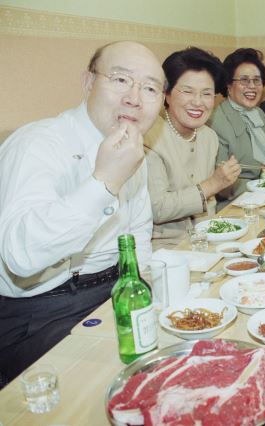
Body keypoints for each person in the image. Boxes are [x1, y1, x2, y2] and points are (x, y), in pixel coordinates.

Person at [0, 41, 164, 386]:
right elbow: (21, 257)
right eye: (121, 80)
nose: (134, 97)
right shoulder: (37, 143)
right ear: (88, 82)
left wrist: (146, 291)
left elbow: (138, 231)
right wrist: (104, 181)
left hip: (112, 293)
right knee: (112, 388)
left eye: (150, 88)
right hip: (41, 312)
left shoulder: (133, 147)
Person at [144, 47, 241, 248]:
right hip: (166, 250)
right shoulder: (149, 137)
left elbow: (210, 206)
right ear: (166, 94)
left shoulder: (209, 136)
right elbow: (157, 208)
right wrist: (213, 184)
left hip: (208, 241)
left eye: (206, 93)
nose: (198, 102)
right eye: (187, 91)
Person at [210, 48, 265, 208]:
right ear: (228, 85)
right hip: (232, 204)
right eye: (244, 80)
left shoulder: (260, 115)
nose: (252, 86)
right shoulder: (216, 122)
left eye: (257, 80)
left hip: (264, 197)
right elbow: (222, 186)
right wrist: (261, 189)